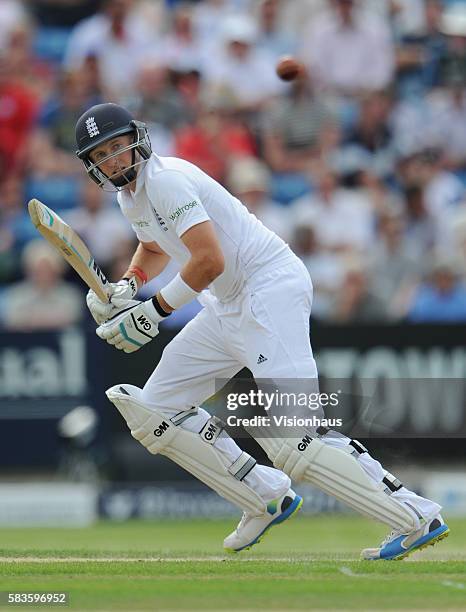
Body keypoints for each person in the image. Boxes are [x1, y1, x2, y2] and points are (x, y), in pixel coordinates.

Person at [75, 102, 449, 559]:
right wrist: (128, 284)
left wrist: (153, 310)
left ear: (136, 139)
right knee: (156, 410)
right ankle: (263, 494)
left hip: (267, 288)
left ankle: (415, 515)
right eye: (102, 154)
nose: (114, 159)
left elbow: (208, 259)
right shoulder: (129, 196)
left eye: (118, 146)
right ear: (93, 165)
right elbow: (155, 244)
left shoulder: (167, 179)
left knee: (294, 436)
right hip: (226, 305)